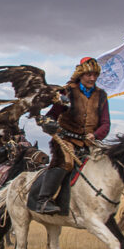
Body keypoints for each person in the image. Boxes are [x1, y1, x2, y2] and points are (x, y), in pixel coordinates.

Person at [36, 57, 111, 214]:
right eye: (88, 75)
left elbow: (106, 123)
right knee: (67, 163)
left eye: (95, 75)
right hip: (65, 140)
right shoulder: (66, 92)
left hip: (90, 143)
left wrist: (96, 135)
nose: (92, 78)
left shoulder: (102, 95)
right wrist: (48, 123)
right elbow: (51, 115)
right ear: (80, 75)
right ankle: (43, 200)